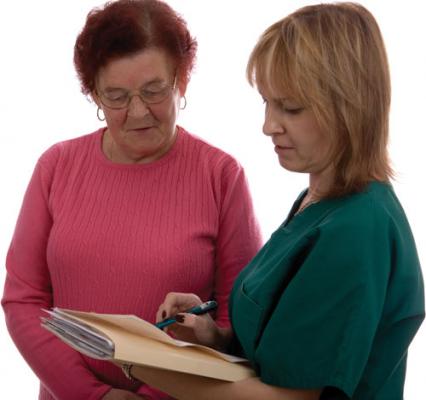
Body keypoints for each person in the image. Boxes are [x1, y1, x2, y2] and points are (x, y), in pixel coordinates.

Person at [120, 3, 425, 399]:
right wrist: (213, 337)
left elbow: (291, 397)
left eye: (291, 108)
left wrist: (141, 362)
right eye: (267, 102)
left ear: (349, 106)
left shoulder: (357, 229)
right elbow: (280, 353)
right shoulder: (316, 202)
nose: (268, 126)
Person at [1, 1, 262, 399]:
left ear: (181, 81)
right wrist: (93, 395)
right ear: (94, 94)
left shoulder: (222, 176)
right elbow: (24, 300)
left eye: (154, 91)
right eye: (117, 96)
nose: (138, 112)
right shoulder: (56, 166)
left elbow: (237, 320)